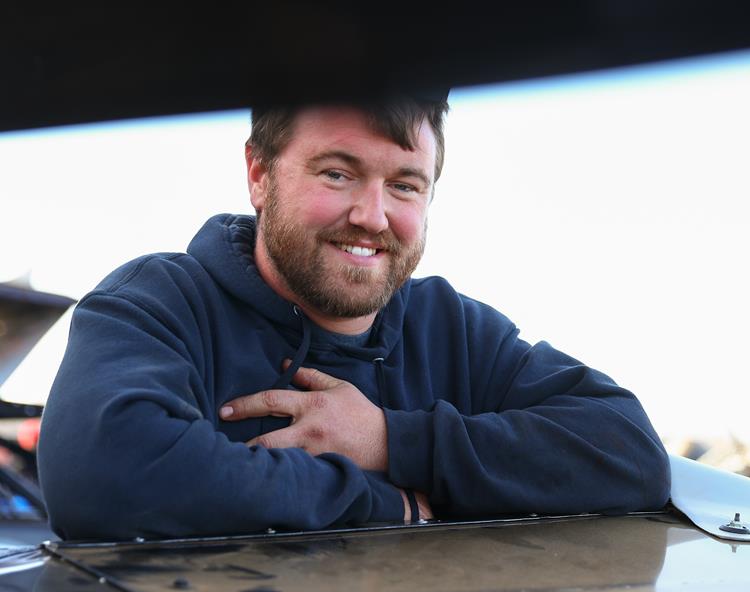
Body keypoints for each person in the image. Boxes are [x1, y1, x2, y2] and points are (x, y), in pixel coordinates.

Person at [37, 95, 670, 540]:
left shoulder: (452, 330)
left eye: (405, 185)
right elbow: (103, 471)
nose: (372, 215)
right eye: (338, 174)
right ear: (259, 174)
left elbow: (630, 455)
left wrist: (391, 439)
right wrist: (384, 504)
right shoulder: (161, 302)